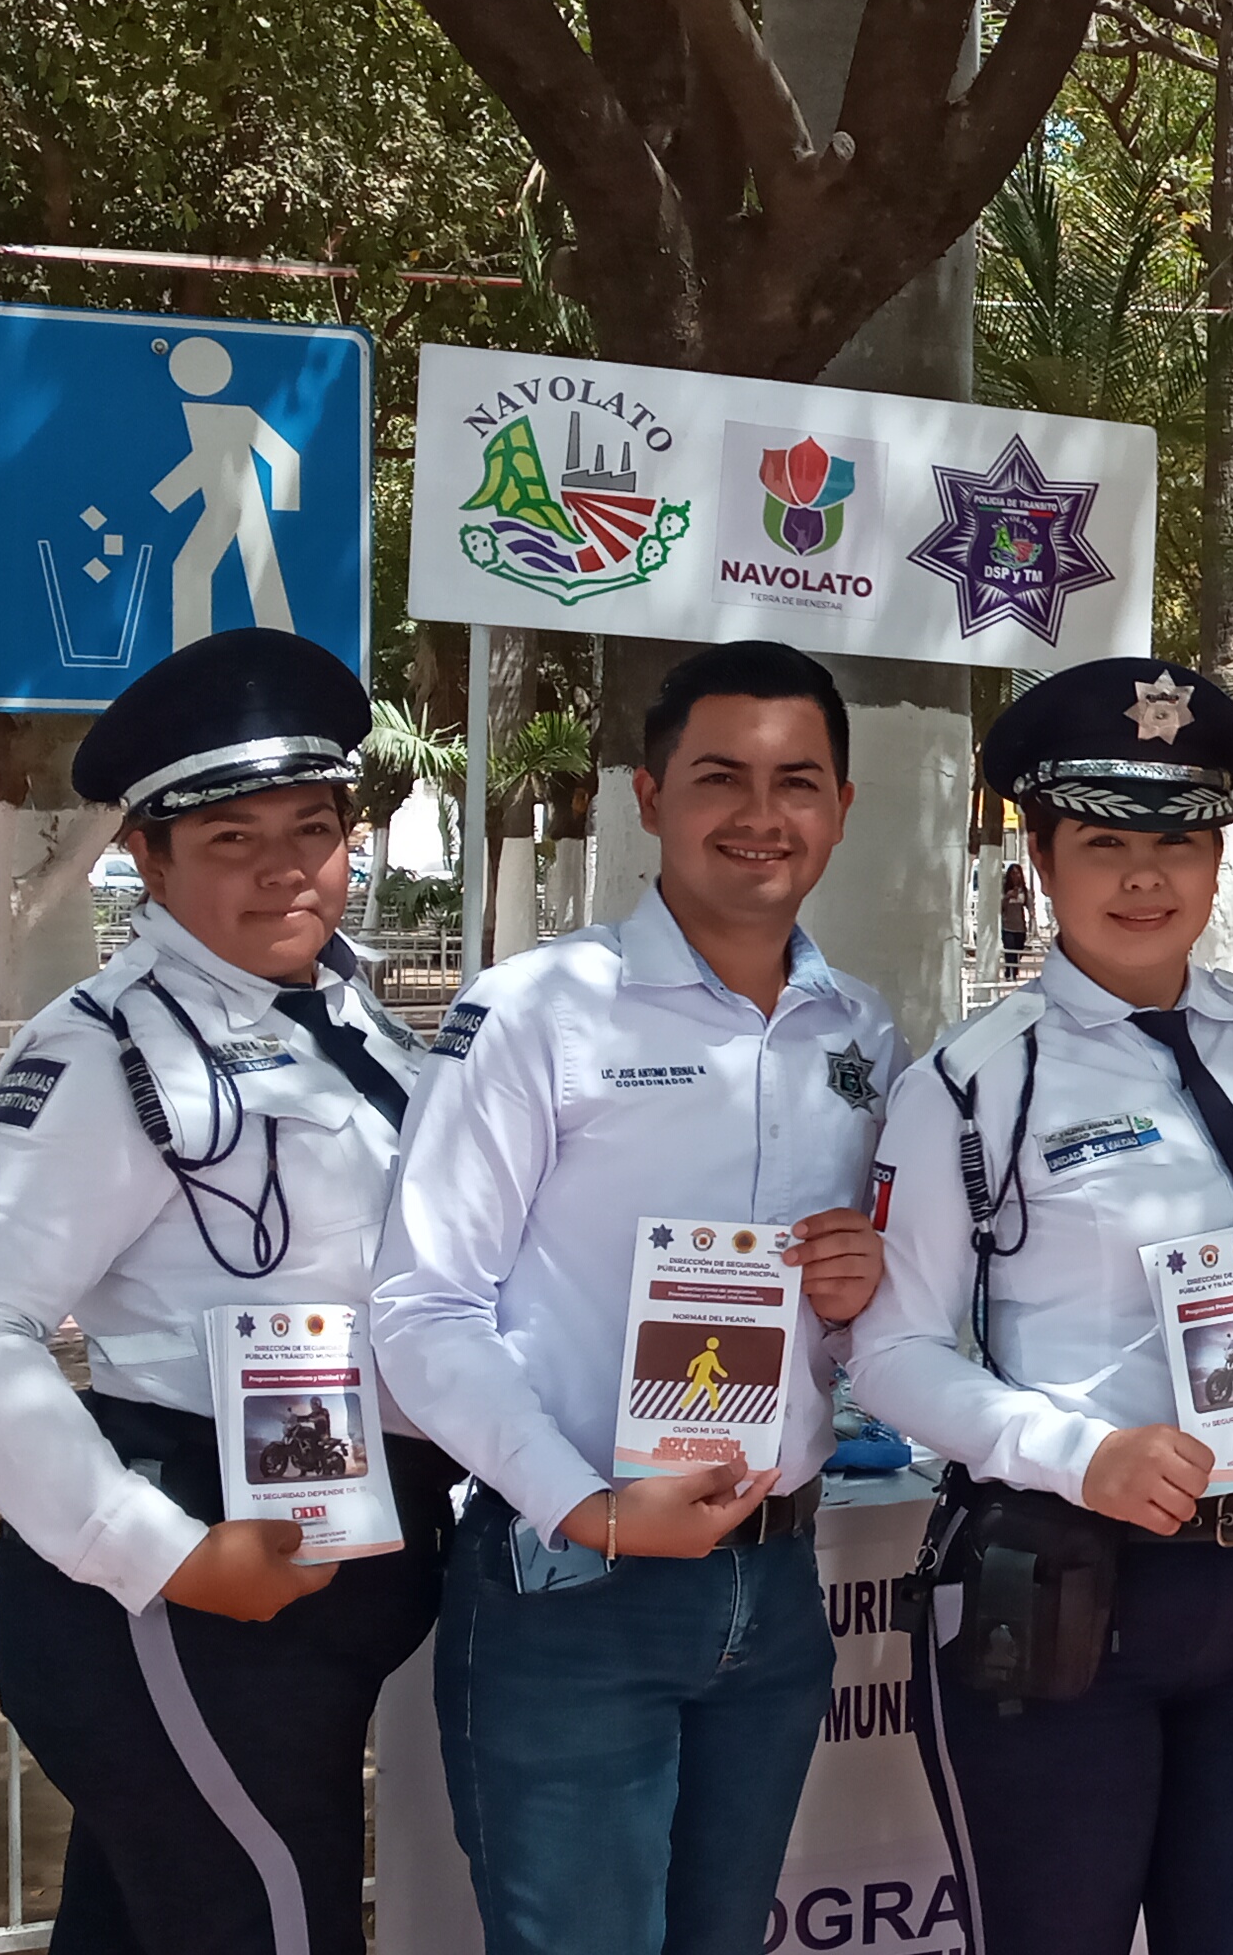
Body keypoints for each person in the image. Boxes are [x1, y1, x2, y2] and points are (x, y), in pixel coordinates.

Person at [0, 627, 451, 1955]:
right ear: (148, 858)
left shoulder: (355, 1019)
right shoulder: (109, 1051)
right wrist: (165, 1555)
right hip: (192, 1589)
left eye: (312, 831)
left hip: (318, 1567)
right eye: (229, 840)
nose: (283, 870)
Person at [853, 657, 1233, 1955]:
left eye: (1178, 842)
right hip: (1066, 1590)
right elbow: (891, 1353)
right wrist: (1076, 1454)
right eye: (1104, 843)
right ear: (1041, 859)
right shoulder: (972, 1084)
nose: (1145, 878)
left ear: (1217, 860)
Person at [366, 640, 898, 1955]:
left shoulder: (859, 1030)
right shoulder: (538, 1012)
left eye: (797, 781)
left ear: (842, 808)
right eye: (720, 777)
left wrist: (859, 1289)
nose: (760, 815)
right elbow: (422, 1308)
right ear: (650, 796)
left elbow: (861, 1313)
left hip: (775, 1584)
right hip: (573, 1583)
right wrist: (589, 1507)